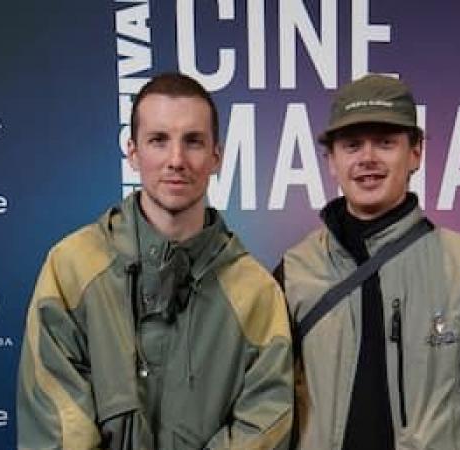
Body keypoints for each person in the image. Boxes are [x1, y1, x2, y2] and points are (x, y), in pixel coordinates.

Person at [17, 72, 293, 450]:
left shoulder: (256, 292)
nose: (176, 160)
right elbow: (56, 419)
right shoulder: (72, 267)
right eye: (158, 140)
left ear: (216, 156)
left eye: (193, 141)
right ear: (133, 152)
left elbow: (266, 420)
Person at [275, 74, 460, 450]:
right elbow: (269, 408)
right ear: (331, 161)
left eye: (385, 142)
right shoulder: (294, 271)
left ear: (416, 152)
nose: (367, 158)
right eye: (352, 145)